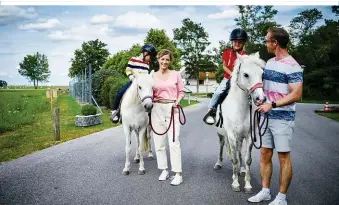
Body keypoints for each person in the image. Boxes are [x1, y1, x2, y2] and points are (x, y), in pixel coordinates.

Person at [247, 27, 303, 205]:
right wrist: (260, 100)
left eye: (267, 40)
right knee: (264, 154)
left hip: (283, 118)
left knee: (283, 157)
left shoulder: (293, 65)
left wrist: (272, 104)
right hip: (266, 116)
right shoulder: (269, 62)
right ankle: (265, 191)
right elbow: (264, 88)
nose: (265, 43)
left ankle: (281, 197)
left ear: (275, 42)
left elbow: (296, 94)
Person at [151, 49, 185, 186]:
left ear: (170, 61)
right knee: (159, 143)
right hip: (156, 108)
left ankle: (177, 173)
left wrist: (177, 102)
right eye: (162, 59)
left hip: (172, 108)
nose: (164, 62)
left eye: (167, 60)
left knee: (174, 141)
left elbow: (181, 91)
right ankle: (164, 170)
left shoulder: (176, 74)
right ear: (158, 59)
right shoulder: (152, 75)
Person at [203, 28, 248, 125]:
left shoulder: (245, 55)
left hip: (240, 81)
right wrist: (232, 74)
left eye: (240, 42)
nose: (237, 44)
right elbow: (224, 66)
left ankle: (250, 114)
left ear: (243, 43)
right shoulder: (227, 52)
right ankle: (211, 112)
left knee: (248, 94)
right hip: (228, 78)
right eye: (235, 41)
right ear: (232, 42)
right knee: (218, 93)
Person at [110, 44, 157, 123]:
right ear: (145, 53)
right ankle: (115, 112)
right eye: (150, 56)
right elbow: (128, 70)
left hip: (142, 85)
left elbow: (146, 75)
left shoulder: (147, 64)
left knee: (150, 95)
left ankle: (150, 114)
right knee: (120, 92)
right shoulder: (133, 59)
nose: (151, 58)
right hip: (133, 81)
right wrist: (132, 78)